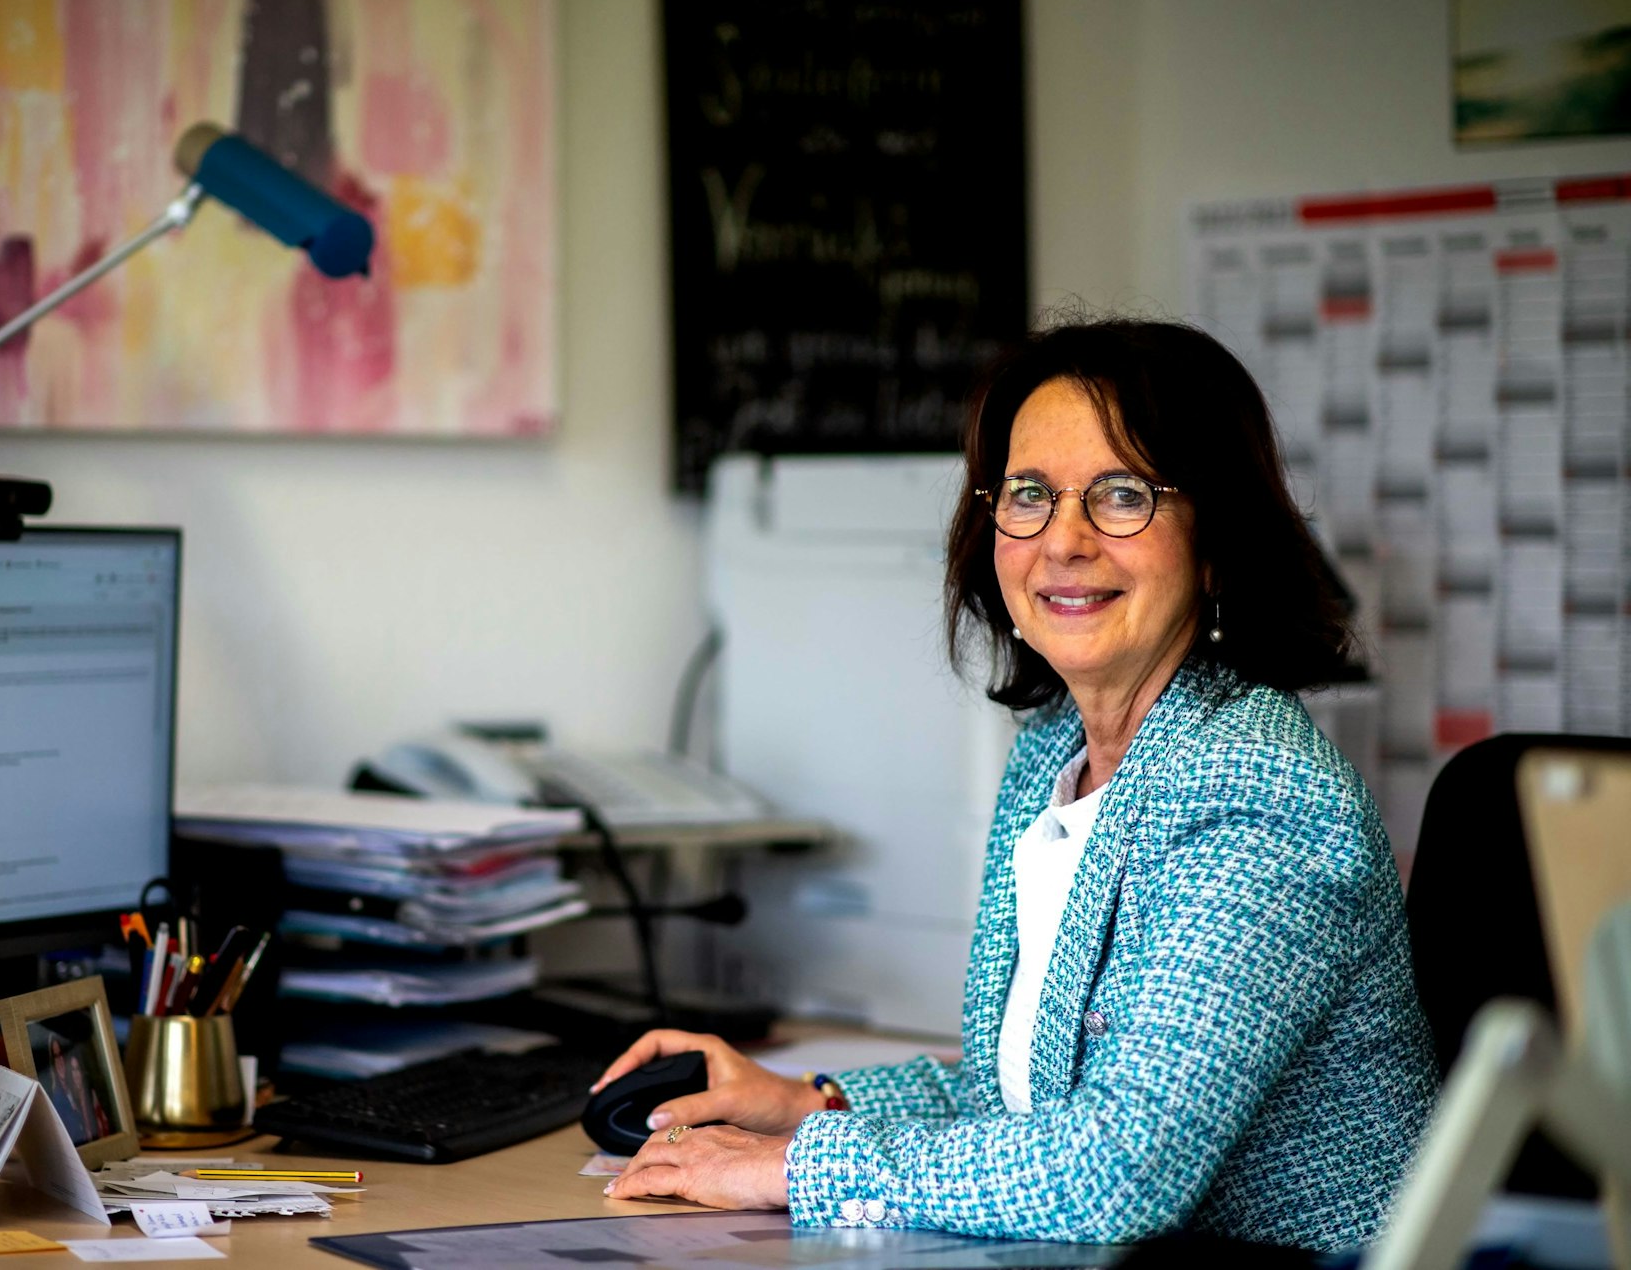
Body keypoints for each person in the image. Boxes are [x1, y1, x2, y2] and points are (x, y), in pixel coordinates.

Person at [597, 319, 1437, 1251]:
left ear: (1214, 542)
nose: (1063, 541)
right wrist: (800, 1102)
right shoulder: (1052, 758)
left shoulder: (1260, 793)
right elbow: (1016, 1097)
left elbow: (1117, 1168)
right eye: (1029, 494)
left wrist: (790, 1169)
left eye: (1122, 495)